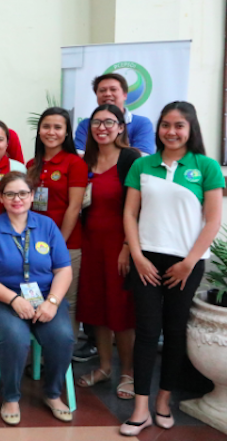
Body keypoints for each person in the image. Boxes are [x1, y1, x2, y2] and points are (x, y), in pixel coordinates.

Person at [120, 101, 223, 436]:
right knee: (147, 332)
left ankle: (163, 402)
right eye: (166, 124)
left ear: (190, 129)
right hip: (146, 259)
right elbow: (130, 214)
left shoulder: (206, 166)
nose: (172, 131)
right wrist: (137, 256)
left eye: (179, 125)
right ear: (158, 128)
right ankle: (140, 408)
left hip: (187, 262)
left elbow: (213, 219)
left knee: (175, 331)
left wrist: (189, 262)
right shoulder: (143, 164)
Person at [0, 172, 74, 425]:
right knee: (16, 338)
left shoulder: (47, 225)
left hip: (44, 297)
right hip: (2, 299)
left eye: (23, 193)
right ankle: (10, 396)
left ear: (32, 196)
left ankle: (52, 393)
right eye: (10, 194)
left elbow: (63, 269)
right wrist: (13, 300)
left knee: (63, 336)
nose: (17, 199)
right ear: (1, 197)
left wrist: (52, 302)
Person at [75, 105, 140, 399]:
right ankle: (104, 367)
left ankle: (127, 371)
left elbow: (140, 207)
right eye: (96, 122)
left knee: (121, 310)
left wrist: (129, 246)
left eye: (109, 122)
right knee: (96, 308)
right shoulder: (85, 160)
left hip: (120, 245)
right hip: (89, 244)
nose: (102, 127)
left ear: (121, 127)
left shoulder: (130, 159)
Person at [27, 108, 87, 336]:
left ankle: (63, 361)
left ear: (66, 133)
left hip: (67, 244)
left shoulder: (75, 163)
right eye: (46, 126)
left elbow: (74, 207)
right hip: (33, 244)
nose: (51, 132)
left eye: (57, 127)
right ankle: (38, 356)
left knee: (64, 302)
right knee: (35, 298)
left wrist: (58, 244)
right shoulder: (32, 164)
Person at [74, 73, 155, 155]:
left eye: (113, 89)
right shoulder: (85, 124)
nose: (107, 94)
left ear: (125, 95)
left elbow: (143, 158)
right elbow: (78, 155)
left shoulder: (142, 123)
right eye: (102, 90)